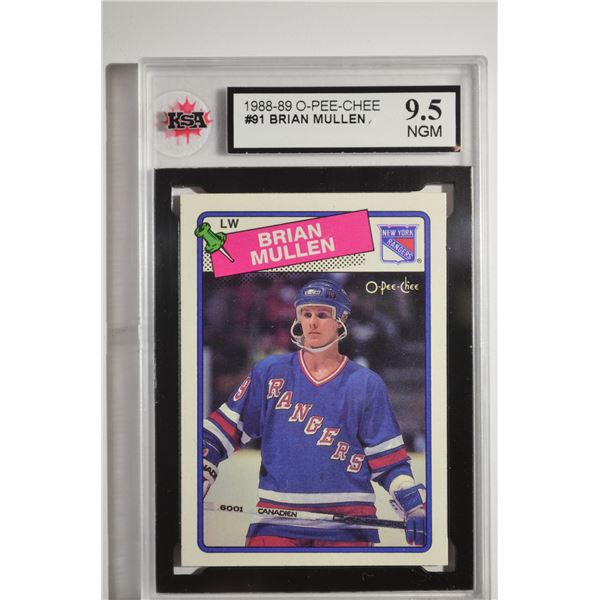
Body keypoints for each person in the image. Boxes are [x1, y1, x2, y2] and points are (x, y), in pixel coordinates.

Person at [202, 279, 426, 548]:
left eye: (322, 314)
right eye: (306, 314)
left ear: (341, 320)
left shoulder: (366, 384)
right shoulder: (271, 373)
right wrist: (203, 466)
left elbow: (389, 463)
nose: (312, 322)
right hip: (277, 520)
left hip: (349, 525)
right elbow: (221, 431)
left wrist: (414, 506)